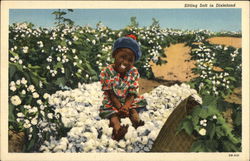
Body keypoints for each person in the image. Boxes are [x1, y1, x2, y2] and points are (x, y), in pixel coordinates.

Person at [99, 34, 147, 141]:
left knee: (133, 110)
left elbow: (132, 92)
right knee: (113, 115)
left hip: (128, 100)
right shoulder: (106, 72)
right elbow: (110, 93)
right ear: (114, 54)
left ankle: (136, 122)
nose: (125, 62)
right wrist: (119, 107)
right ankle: (118, 130)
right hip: (112, 100)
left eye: (130, 60)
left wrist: (125, 107)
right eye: (122, 57)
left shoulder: (133, 71)